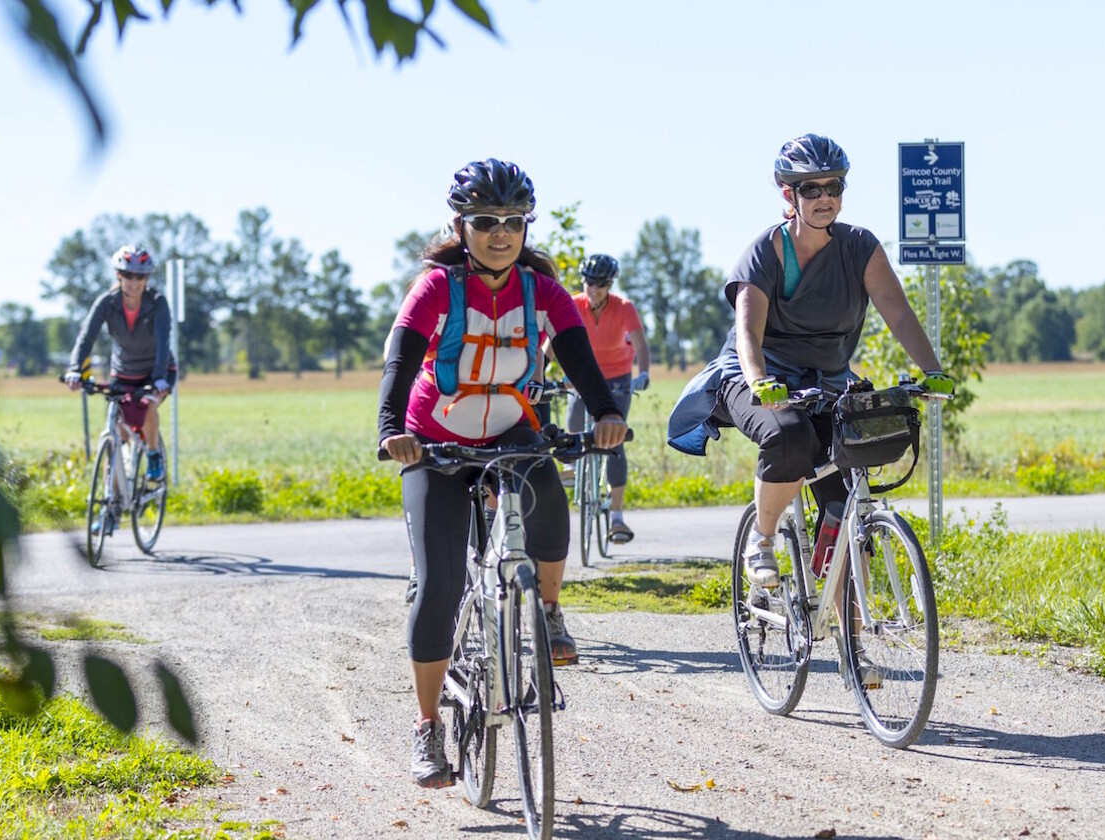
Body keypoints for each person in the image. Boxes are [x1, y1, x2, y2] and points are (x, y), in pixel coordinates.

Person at [379, 159, 629, 788]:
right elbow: (401, 359)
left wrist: (604, 411)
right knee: (437, 584)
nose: (500, 233)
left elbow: (576, 354)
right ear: (460, 226)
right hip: (433, 441)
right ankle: (428, 728)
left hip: (509, 427)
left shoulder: (541, 291)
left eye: (513, 222)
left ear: (525, 227)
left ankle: (547, 611)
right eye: (485, 222)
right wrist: (391, 431)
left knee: (546, 485)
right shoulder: (437, 287)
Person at [666, 133, 955, 594]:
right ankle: (760, 540)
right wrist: (760, 381)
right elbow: (747, 333)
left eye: (833, 187)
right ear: (789, 194)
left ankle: (855, 648)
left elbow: (897, 311)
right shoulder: (767, 252)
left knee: (848, 497)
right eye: (810, 188)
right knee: (789, 436)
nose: (824, 198)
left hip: (827, 380)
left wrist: (932, 370)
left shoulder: (859, 248)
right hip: (752, 375)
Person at [65, 245, 175, 484]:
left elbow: (163, 341)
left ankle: (154, 454)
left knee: (147, 405)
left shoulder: (157, 303)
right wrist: (75, 368)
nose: (133, 283)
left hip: (157, 369)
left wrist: (158, 378)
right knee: (116, 436)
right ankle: (110, 507)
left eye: (140, 277)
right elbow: (86, 337)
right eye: (127, 276)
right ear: (118, 275)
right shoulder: (107, 302)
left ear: (146, 279)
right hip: (124, 371)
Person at [567, 254, 651, 542]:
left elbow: (639, 343)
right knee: (574, 415)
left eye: (600, 284)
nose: (593, 288)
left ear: (609, 285)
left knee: (616, 438)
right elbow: (552, 342)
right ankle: (570, 465)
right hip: (584, 373)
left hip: (618, 377)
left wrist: (644, 373)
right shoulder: (573, 304)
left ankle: (617, 517)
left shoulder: (623, 307)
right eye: (589, 282)